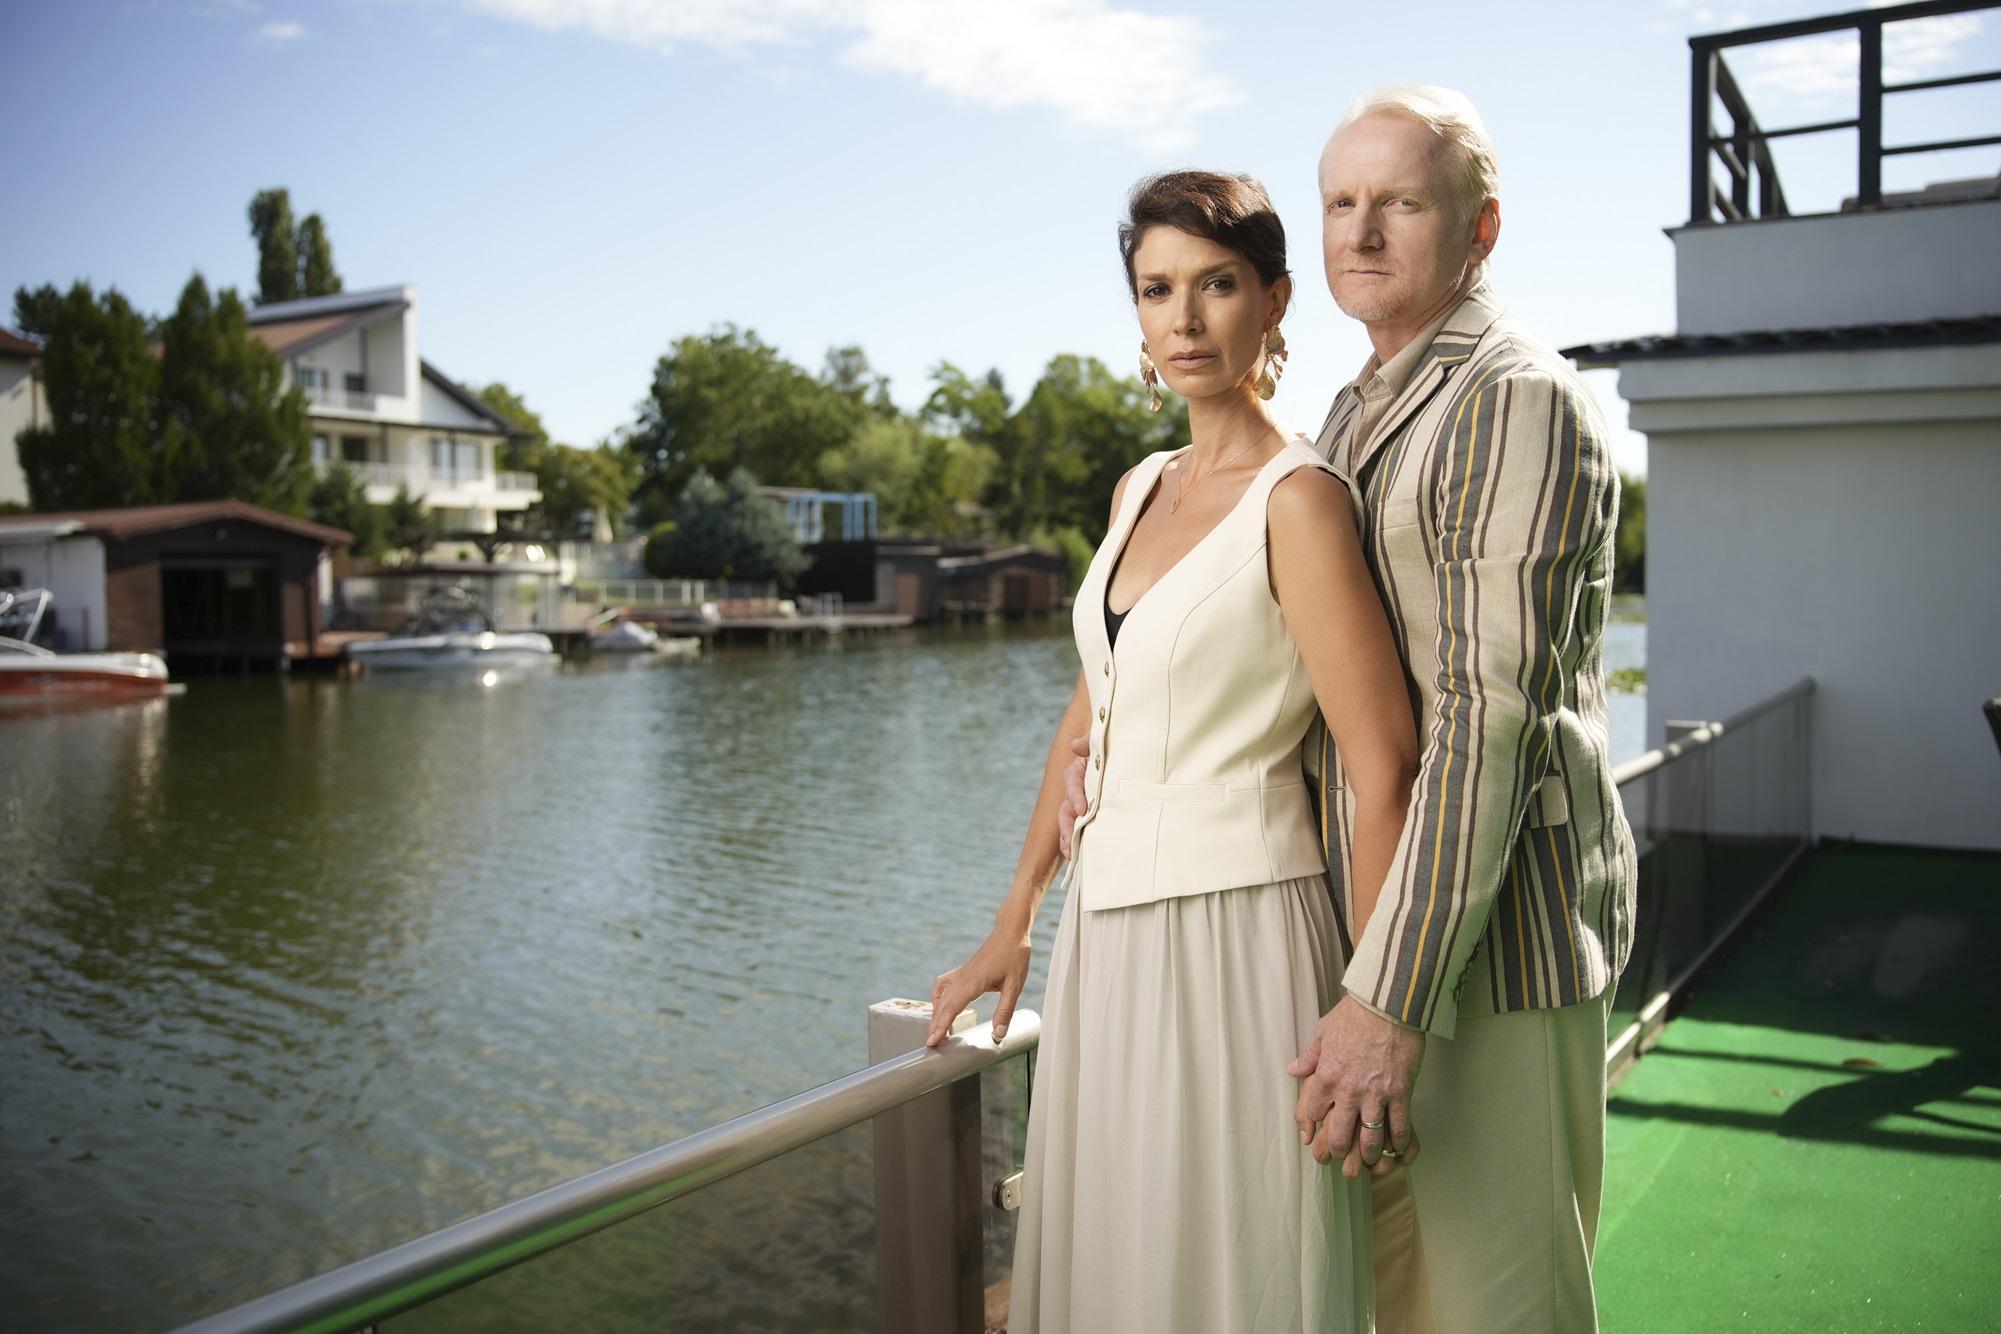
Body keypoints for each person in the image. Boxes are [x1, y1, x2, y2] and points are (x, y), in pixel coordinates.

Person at [1068, 86, 1640, 1331]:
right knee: (1389, 1301)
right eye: (1340, 202)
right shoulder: (1358, 408)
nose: (1362, 232)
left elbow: (1485, 726)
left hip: (1488, 955)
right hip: (1364, 941)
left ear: (1482, 227)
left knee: (1497, 1310)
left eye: (1401, 203)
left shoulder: (1513, 397)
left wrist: (1388, 999)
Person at [924, 170, 1420, 1333]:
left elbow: (1384, 765)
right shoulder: (1139, 487)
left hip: (1237, 935)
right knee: (1119, 1257)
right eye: (1157, 289)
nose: (1185, 319)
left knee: (1225, 1260)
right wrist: (1015, 918)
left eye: (1217, 285)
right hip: (1105, 936)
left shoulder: (1300, 499)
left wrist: (1374, 1004)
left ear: (1275, 301)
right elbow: (1089, 712)